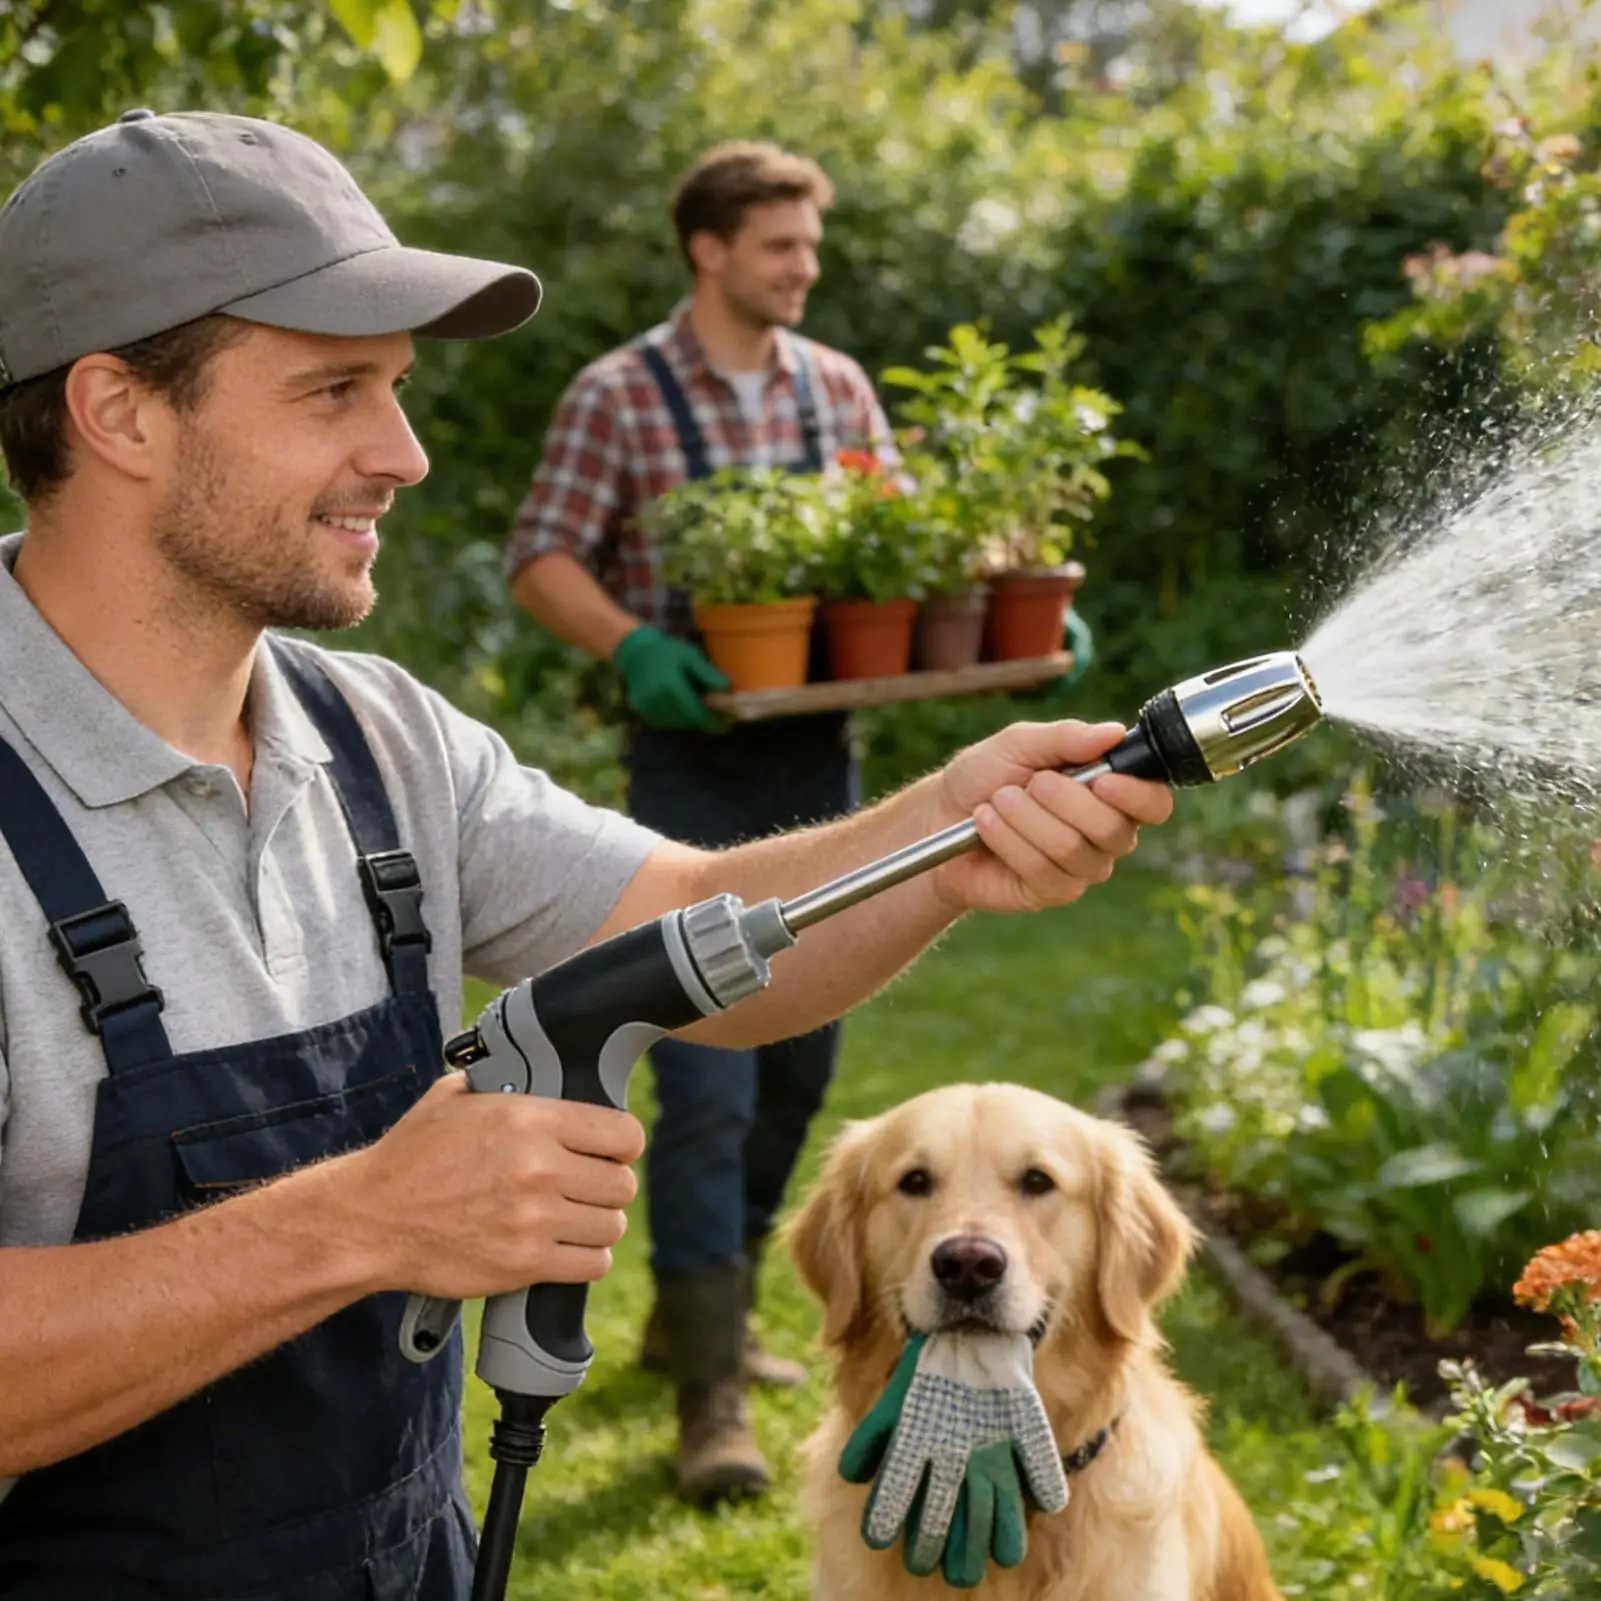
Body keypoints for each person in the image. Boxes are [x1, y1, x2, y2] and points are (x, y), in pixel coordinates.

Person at [0, 108, 1172, 1601]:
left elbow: (692, 928)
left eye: (398, 389)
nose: (405, 455)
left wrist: (945, 833)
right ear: (119, 412)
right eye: (334, 390)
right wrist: (363, 1221)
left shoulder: (380, 740)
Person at [503, 142, 900, 1502]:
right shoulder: (620, 394)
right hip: (689, 771)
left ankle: (696, 1312)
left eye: (810, 245)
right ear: (709, 250)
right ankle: (711, 1403)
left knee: (799, 1066)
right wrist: (631, 646)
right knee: (711, 1085)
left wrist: (1001, 603)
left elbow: (899, 546)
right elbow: (542, 554)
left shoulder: (837, 387)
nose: (804, 268)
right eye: (781, 245)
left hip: (819, 757)